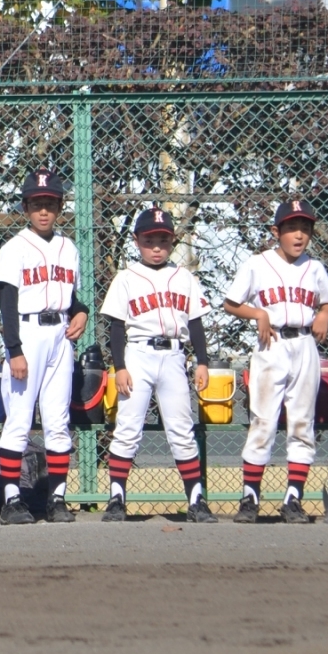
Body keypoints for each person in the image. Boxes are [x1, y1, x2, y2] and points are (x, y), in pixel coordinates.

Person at [222, 198, 328, 525]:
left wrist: (324, 315)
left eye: (305, 228)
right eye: (291, 228)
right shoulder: (257, 264)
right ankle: (250, 498)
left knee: (302, 423)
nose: (299, 235)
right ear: (277, 231)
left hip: (304, 344)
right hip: (271, 344)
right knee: (263, 421)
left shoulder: (314, 268)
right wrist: (258, 312)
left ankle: (293, 499)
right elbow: (231, 303)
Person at [98, 208, 215, 523]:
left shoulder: (184, 277)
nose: (156, 246)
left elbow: (197, 324)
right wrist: (119, 366)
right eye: (149, 239)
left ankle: (196, 500)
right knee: (127, 429)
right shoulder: (126, 278)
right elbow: (117, 328)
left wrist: (202, 361)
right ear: (137, 241)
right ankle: (116, 499)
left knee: (181, 430)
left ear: (172, 240)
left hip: (175, 356)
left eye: (163, 239)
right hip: (137, 355)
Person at [0, 169, 89, 525]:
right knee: (19, 420)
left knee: (57, 421)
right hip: (28, 335)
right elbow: (6, 300)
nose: (43, 210)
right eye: (37, 204)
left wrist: (83, 313)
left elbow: (72, 298)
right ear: (26, 207)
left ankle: (57, 498)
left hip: (61, 335)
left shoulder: (69, 247)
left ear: (60, 206)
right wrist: (14, 349)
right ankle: (11, 499)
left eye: (49, 203)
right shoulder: (14, 248)